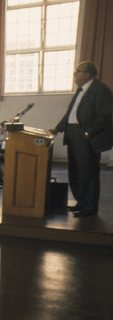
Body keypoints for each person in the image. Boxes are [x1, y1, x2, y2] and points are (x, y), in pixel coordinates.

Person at [49, 61, 113, 217]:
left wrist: (88, 133)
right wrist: (57, 129)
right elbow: (70, 114)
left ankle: (90, 208)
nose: (74, 74)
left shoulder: (100, 89)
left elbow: (104, 116)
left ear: (87, 75)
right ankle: (81, 202)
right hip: (72, 134)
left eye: (77, 71)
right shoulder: (81, 90)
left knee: (88, 172)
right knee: (76, 171)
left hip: (85, 136)